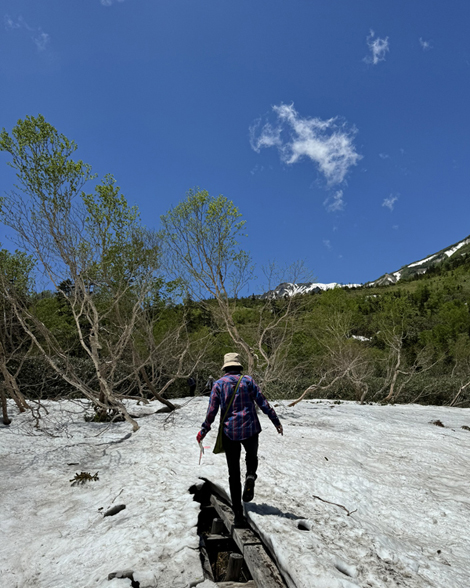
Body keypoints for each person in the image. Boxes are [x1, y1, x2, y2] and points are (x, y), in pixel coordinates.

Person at [196, 352, 283, 527]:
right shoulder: (248, 381)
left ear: (225, 367)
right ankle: (251, 476)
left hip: (230, 432)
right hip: (251, 429)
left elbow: (211, 411)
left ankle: (238, 515)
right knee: (252, 457)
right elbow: (263, 402)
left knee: (233, 474)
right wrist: (275, 421)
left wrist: (204, 430)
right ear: (238, 366)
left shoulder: (218, 385)